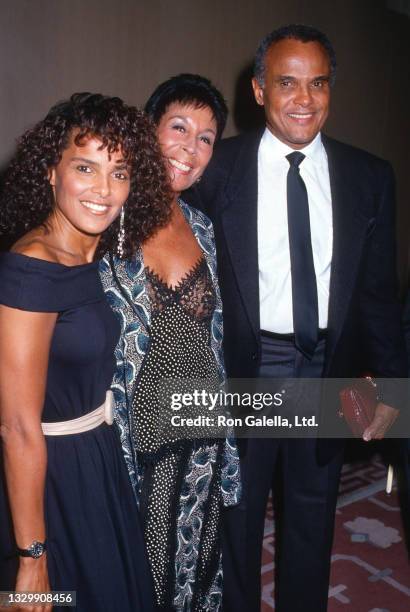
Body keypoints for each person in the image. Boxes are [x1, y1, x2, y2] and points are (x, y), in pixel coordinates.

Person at [186, 25, 407, 612]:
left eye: (317, 84)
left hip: (325, 368)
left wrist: (389, 385)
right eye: (287, 83)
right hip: (246, 369)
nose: (303, 99)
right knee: (234, 523)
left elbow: (381, 295)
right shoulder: (216, 170)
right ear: (259, 90)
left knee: (313, 518)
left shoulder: (369, 177)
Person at [0, 92, 172, 611]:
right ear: (50, 172)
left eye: (119, 172)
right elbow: (18, 426)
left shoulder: (85, 255)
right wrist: (32, 558)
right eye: (85, 167)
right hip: (50, 478)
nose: (104, 189)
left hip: (94, 456)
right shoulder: (33, 267)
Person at [99, 74, 241, 611]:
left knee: (197, 572)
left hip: (201, 432)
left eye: (206, 137)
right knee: (137, 577)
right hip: (133, 440)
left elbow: (215, 340)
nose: (191, 147)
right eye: (179, 127)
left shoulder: (203, 227)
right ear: (148, 128)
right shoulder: (106, 212)